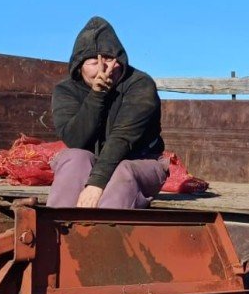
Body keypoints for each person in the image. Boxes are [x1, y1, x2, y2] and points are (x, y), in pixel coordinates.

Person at [48, 16, 169, 208]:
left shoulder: (140, 85)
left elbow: (123, 137)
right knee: (75, 158)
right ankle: (56, 230)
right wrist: (97, 95)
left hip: (141, 161)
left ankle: (104, 233)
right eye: (93, 62)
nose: (104, 68)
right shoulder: (66, 90)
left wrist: (96, 184)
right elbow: (75, 140)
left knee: (124, 171)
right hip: (90, 164)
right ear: (79, 68)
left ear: (120, 60)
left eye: (110, 59)